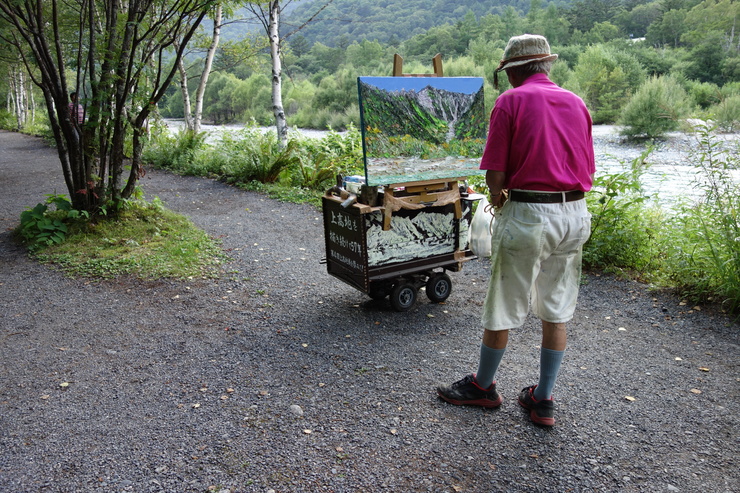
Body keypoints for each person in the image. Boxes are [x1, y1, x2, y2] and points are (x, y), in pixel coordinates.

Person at [436, 34, 595, 426]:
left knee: (503, 304)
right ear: (545, 66)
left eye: (507, 71)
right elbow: (588, 169)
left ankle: (483, 387)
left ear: (516, 70)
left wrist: (499, 199)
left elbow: (495, 175)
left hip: (530, 213)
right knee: (556, 309)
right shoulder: (576, 103)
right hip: (575, 214)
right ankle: (542, 400)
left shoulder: (511, 101)